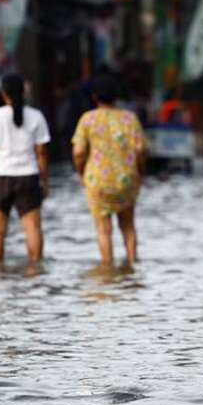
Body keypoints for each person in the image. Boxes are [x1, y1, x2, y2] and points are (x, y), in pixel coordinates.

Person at [71, 75, 146, 266]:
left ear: (95, 97)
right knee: (128, 226)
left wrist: (81, 173)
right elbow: (141, 150)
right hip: (126, 181)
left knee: (103, 230)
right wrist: (140, 173)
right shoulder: (130, 118)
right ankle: (132, 265)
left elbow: (78, 152)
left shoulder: (87, 119)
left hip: (97, 183)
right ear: (117, 96)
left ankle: (108, 269)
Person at [0, 74, 51, 263]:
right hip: (28, 175)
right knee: (33, 228)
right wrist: (44, 181)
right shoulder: (36, 116)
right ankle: (35, 273)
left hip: (0, 175)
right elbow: (42, 153)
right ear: (24, 91)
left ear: (4, 93)